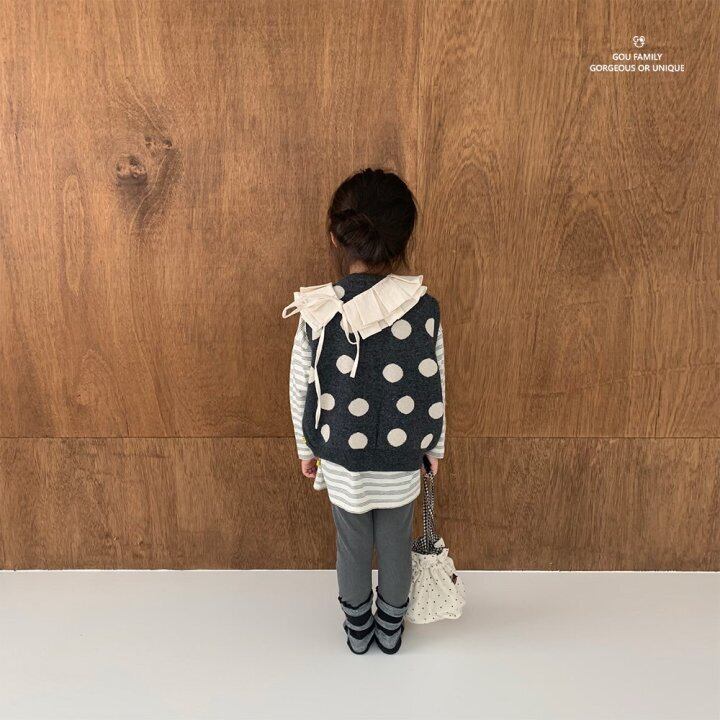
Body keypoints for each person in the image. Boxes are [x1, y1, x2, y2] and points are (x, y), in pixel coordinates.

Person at [282, 168, 446, 654]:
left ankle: (358, 629)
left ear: (336, 236)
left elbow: (300, 385)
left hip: (341, 455)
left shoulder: (319, 310)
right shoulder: (423, 308)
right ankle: (391, 627)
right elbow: (436, 382)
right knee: (395, 541)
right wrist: (434, 446)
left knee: (351, 543)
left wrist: (306, 448)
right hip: (401, 455)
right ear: (403, 238)